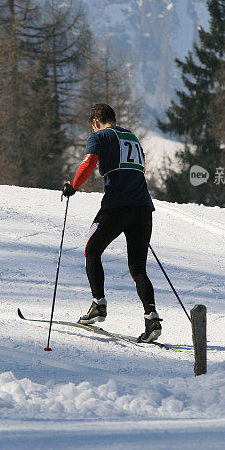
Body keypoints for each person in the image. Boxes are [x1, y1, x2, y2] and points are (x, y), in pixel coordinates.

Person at [62, 103, 162, 343]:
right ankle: (152, 319)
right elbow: (142, 168)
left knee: (91, 250)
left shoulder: (99, 136)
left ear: (96, 122)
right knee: (138, 269)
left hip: (117, 206)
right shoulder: (133, 138)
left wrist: (72, 186)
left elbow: (88, 163)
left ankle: (98, 304)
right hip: (143, 209)